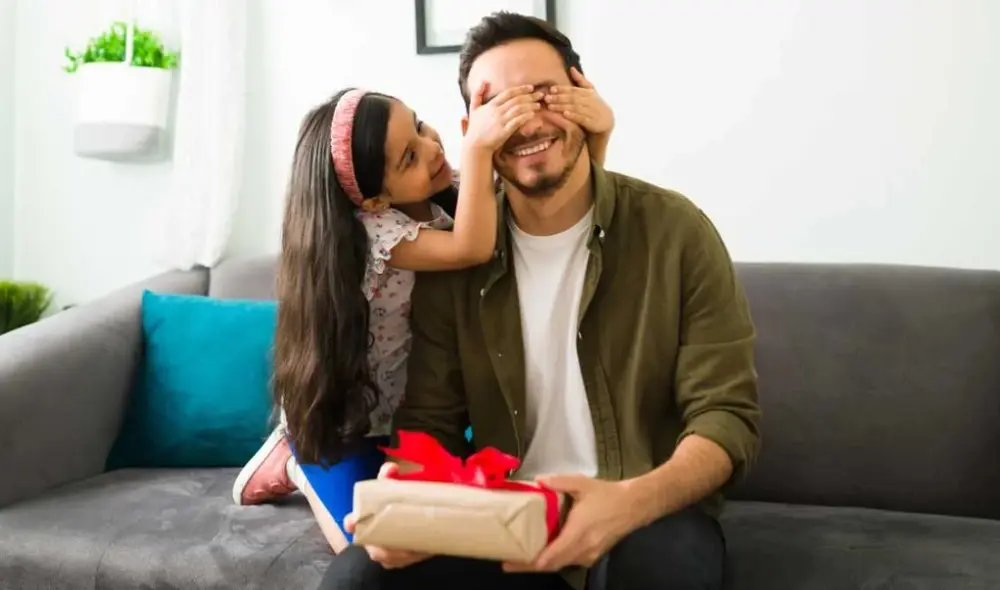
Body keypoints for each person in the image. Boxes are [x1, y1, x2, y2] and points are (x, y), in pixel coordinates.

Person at [318, 11, 762, 590]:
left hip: (643, 517)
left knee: (661, 566)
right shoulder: (456, 257)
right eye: (499, 104)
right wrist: (402, 507)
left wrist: (630, 501)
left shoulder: (676, 232)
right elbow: (429, 425)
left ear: (584, 96)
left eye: (543, 94)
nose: (524, 120)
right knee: (359, 576)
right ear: (471, 129)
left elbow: (727, 416)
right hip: (500, 520)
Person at [230, 78, 617, 554]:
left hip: (415, 409)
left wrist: (598, 135)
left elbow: (552, 207)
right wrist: (477, 145)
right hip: (348, 422)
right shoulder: (375, 230)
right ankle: (295, 464)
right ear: (373, 201)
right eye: (408, 157)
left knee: (461, 516)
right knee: (369, 543)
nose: (432, 146)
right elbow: (471, 247)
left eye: (418, 126)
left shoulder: (453, 193)